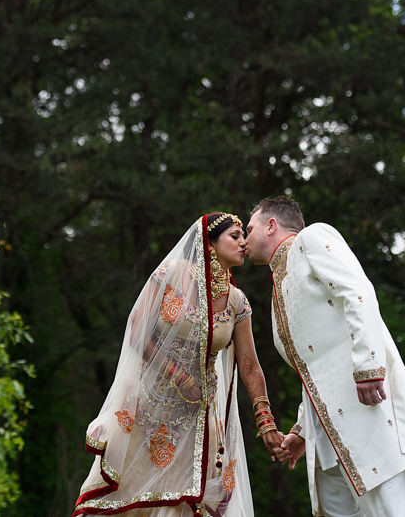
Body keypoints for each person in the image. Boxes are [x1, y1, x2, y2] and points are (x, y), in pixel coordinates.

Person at [243, 197, 405, 517]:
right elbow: (313, 368)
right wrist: (303, 429)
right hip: (329, 440)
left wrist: (369, 367)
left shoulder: (311, 240)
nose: (244, 239)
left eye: (249, 229)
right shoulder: (277, 293)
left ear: (271, 226)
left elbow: (358, 292)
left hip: (372, 416)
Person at [73, 212, 285, 517]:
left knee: (187, 502)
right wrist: (182, 378)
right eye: (234, 236)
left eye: (243, 236)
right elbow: (137, 330)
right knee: (134, 499)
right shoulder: (173, 273)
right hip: (152, 410)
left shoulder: (237, 301)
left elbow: (250, 366)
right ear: (210, 243)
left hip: (201, 418)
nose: (243, 242)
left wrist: (266, 421)